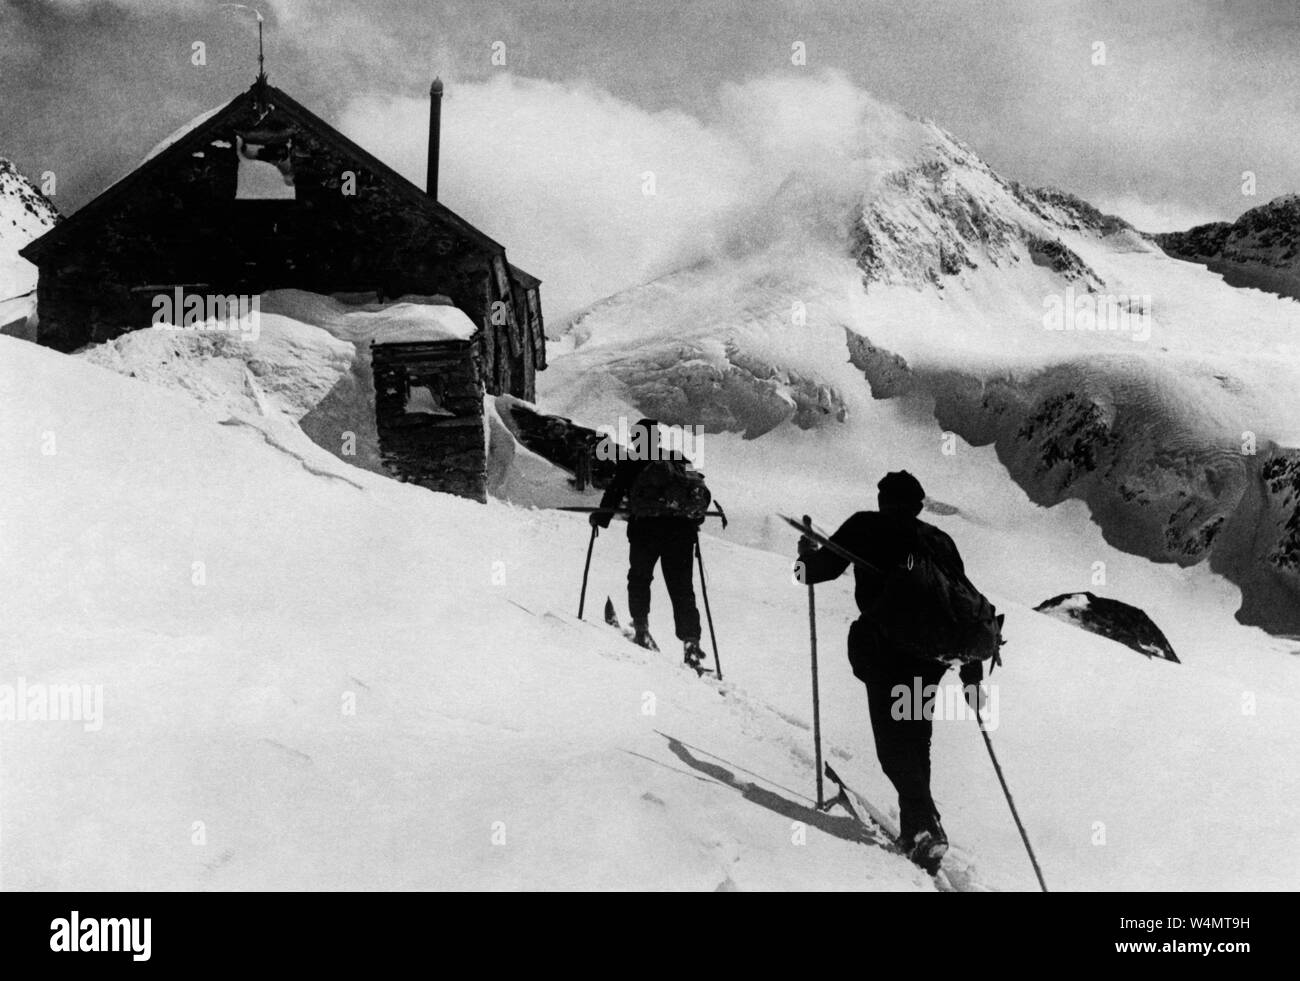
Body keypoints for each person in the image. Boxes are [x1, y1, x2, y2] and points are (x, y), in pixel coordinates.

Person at [793, 470, 982, 874]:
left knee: (892, 746)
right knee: (915, 736)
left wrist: (805, 555)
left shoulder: (867, 525)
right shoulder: (939, 540)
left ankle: (925, 826)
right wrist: (972, 670)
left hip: (887, 652)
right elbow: (962, 602)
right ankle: (918, 826)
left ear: (883, 500)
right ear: (918, 505)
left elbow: (816, 572)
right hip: (931, 659)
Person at [591, 418, 705, 665]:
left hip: (646, 531)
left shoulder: (632, 463)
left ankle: (641, 628)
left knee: (640, 579)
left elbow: (614, 493)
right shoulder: (679, 460)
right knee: (682, 588)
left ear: (638, 439)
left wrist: (600, 519)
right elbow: (697, 494)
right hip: (681, 534)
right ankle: (691, 642)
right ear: (658, 439)